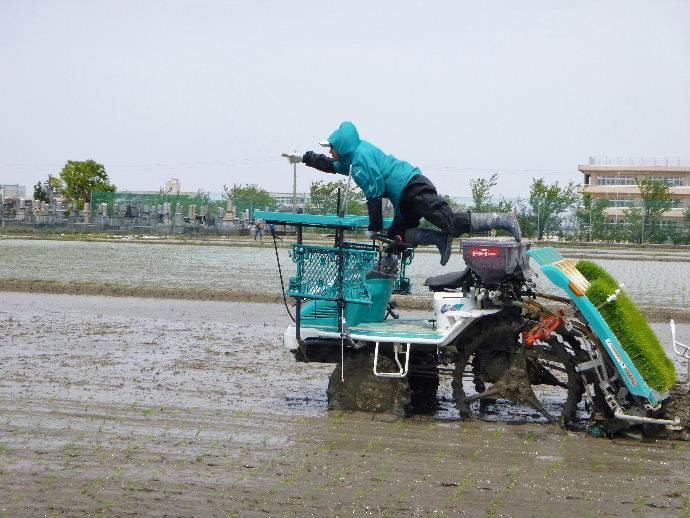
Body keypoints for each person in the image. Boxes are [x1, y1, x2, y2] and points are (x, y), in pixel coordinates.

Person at [283, 121, 520, 265]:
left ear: (342, 146)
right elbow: (329, 165)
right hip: (402, 198)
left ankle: (503, 219)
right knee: (396, 236)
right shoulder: (350, 158)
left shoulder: (360, 160)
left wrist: (374, 227)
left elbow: (374, 195)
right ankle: (438, 239)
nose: (330, 151)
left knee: (449, 222)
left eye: (332, 147)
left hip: (412, 187)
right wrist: (304, 158)